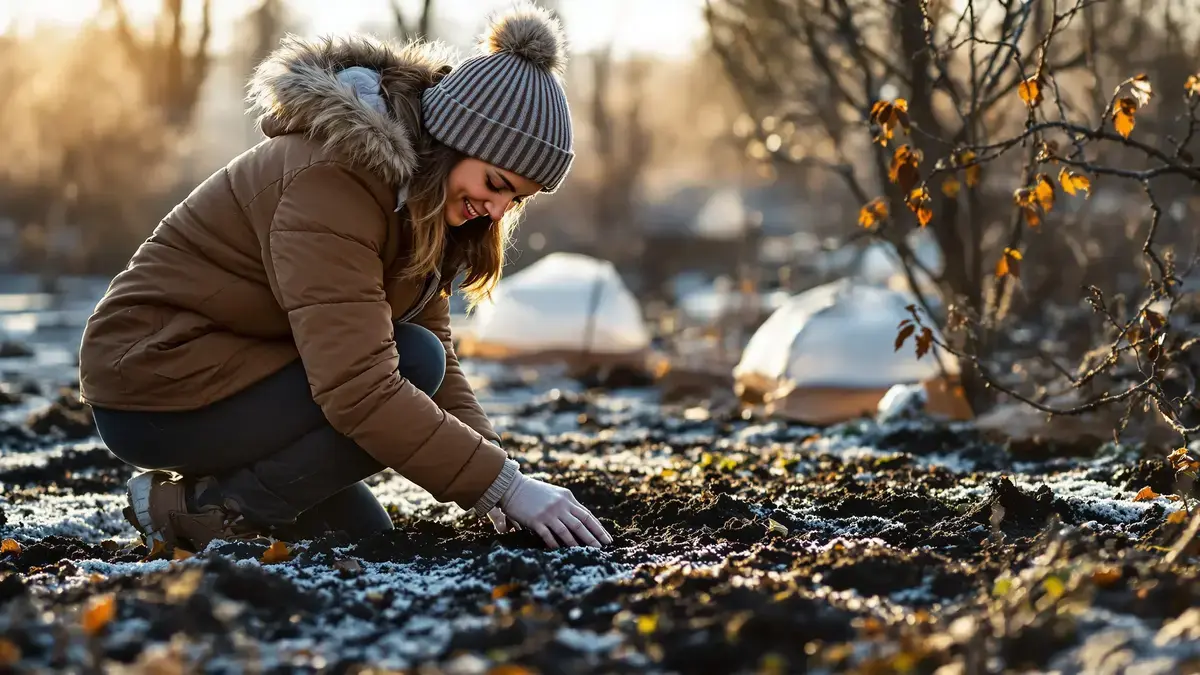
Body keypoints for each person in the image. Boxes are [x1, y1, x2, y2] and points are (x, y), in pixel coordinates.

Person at [77, 2, 612, 553]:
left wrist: (502, 479)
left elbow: (441, 360)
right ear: (456, 140)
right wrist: (505, 486)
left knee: (361, 534)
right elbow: (360, 385)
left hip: (241, 370)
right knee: (411, 360)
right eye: (496, 183)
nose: (498, 211)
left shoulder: (428, 208)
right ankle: (202, 511)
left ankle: (206, 499)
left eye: (516, 199)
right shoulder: (333, 179)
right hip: (155, 379)